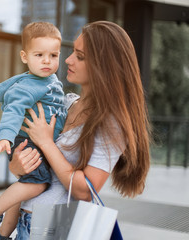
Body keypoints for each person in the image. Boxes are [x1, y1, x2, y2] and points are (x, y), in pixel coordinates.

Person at [8, 21, 151, 239]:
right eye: (73, 52)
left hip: (56, 229)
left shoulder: (111, 123)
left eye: (80, 56)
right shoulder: (65, 104)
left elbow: (85, 190)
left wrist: (46, 142)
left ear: (104, 67)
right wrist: (18, 165)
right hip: (26, 223)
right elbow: (37, 166)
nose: (68, 60)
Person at [0, 22, 67, 240]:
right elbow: (13, 110)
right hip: (26, 141)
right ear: (24, 57)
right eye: (39, 55)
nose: (47, 61)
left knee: (26, 185)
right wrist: (5, 137)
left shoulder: (51, 80)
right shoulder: (28, 85)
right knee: (38, 184)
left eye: (53, 55)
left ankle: (1, 233)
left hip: (38, 143)